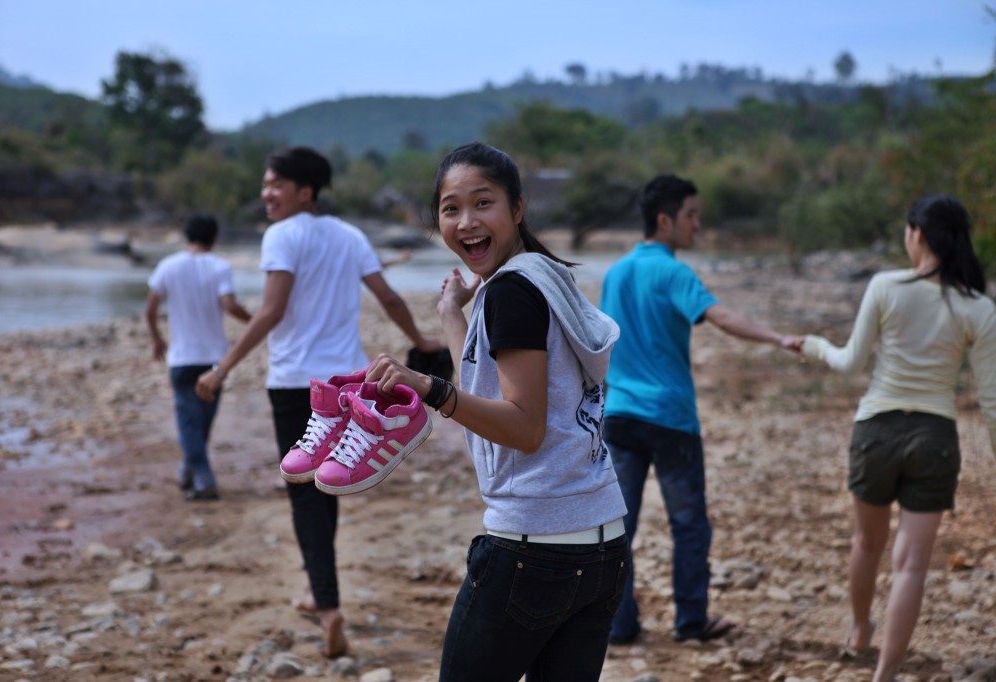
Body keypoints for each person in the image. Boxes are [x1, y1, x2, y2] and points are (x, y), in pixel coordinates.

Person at [367, 142, 630, 682]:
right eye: (450, 208)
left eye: (482, 203)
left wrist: (428, 387)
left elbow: (524, 429)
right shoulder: (546, 278)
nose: (466, 221)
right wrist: (449, 314)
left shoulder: (511, 291)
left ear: (517, 208)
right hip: (603, 543)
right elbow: (487, 395)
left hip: (534, 552)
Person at [194, 146, 442, 658]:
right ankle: (315, 586)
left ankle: (328, 606)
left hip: (296, 385)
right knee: (326, 482)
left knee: (303, 489)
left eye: (276, 185)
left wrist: (222, 368)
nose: (267, 194)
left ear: (305, 191)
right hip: (347, 383)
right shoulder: (349, 234)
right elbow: (389, 298)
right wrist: (423, 340)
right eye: (266, 184)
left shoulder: (282, 235)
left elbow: (270, 311)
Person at [799, 194, 996, 682]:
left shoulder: (885, 286)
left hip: (877, 431)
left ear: (918, 235)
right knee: (911, 567)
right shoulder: (979, 309)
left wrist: (812, 345)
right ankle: (884, 675)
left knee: (867, 543)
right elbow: (991, 402)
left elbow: (849, 362)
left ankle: (860, 628)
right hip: (934, 438)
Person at [599, 174, 802, 644]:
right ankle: (691, 622)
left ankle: (619, 625)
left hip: (621, 416)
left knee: (616, 527)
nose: (698, 224)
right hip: (671, 420)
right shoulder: (674, 272)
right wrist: (778, 338)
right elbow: (721, 316)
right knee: (689, 526)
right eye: (692, 215)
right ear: (665, 220)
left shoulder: (616, 273)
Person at [145, 213, 251, 501]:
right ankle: (198, 477)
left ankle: (196, 476)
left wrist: (157, 338)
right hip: (215, 360)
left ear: (186, 235)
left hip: (181, 358)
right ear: (214, 238)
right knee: (202, 422)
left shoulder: (168, 265)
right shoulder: (220, 267)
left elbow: (151, 308)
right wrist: (254, 321)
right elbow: (229, 305)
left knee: (190, 424)